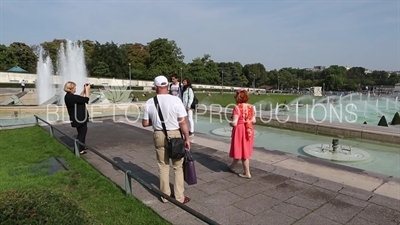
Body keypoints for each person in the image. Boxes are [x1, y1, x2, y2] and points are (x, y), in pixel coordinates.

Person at [142, 75, 191, 204]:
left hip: (158, 134)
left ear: (155, 87)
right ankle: (179, 197)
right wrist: (187, 138)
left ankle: (165, 196)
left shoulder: (150, 102)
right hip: (174, 134)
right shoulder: (175, 100)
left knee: (163, 166)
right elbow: (183, 122)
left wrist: (157, 121)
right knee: (177, 166)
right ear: (167, 85)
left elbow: (145, 123)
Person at [228, 89, 256, 178]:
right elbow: (254, 120)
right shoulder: (251, 107)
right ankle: (232, 166)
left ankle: (247, 173)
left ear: (238, 97)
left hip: (240, 130)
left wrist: (230, 123)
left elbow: (234, 123)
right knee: (243, 149)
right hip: (249, 129)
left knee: (242, 151)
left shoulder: (237, 108)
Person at [64, 81, 91, 155]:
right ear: (71, 88)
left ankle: (82, 147)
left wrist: (84, 90)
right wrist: (87, 90)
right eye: (74, 87)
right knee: (82, 133)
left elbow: (80, 98)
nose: (75, 88)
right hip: (79, 118)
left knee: (81, 132)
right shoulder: (71, 97)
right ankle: (78, 150)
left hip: (77, 118)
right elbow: (86, 99)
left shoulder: (69, 96)